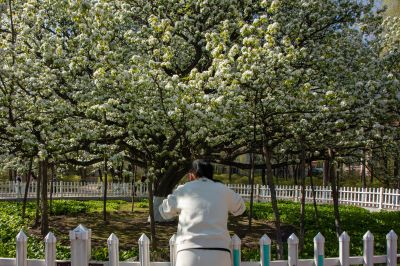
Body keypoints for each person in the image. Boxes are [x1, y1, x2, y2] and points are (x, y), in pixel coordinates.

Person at [159, 159, 246, 266]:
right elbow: (240, 208)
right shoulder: (223, 189)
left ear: (192, 174)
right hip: (220, 252)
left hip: (188, 252)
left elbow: (164, 211)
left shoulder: (183, 190)